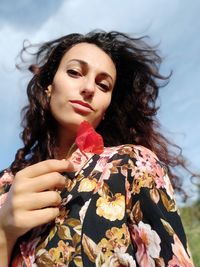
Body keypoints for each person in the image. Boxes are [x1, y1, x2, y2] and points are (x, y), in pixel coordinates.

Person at [0, 30, 195, 266]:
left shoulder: (132, 165)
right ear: (49, 86)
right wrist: (3, 233)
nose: (89, 88)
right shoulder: (5, 186)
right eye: (74, 72)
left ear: (106, 109)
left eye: (103, 85)